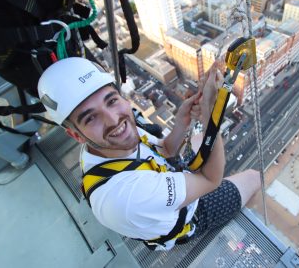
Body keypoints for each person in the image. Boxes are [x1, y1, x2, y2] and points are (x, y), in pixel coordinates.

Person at [37, 57, 261, 250]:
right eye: (90, 118)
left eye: (112, 101)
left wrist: (183, 120)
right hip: (190, 216)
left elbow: (164, 149)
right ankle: (237, 233)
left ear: (121, 97)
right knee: (253, 177)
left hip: (163, 180)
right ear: (76, 136)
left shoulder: (116, 135)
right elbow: (211, 180)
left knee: (199, 141)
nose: (114, 120)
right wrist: (211, 115)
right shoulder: (126, 197)